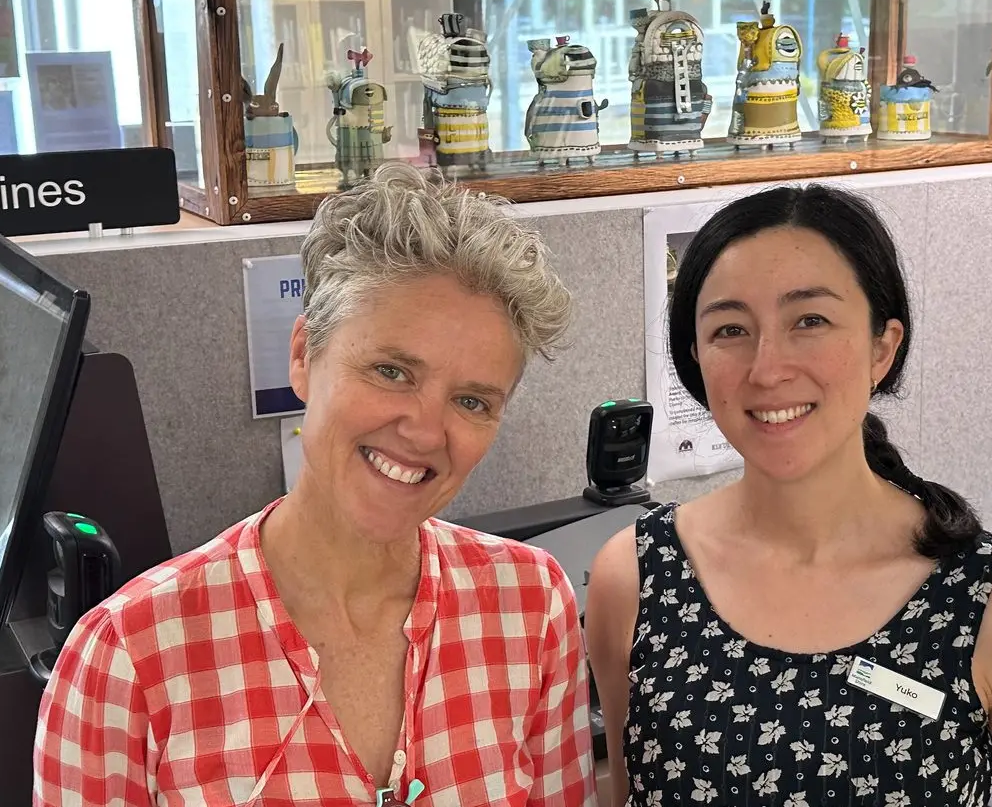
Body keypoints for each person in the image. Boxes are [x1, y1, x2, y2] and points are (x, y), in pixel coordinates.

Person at [34, 163, 598, 807]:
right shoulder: (128, 658)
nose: (423, 432)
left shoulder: (530, 606)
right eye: (391, 371)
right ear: (303, 355)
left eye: (472, 402)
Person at [585, 185, 992, 807]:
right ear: (697, 360)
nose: (767, 368)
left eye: (809, 321)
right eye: (730, 329)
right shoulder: (637, 578)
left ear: (881, 348)